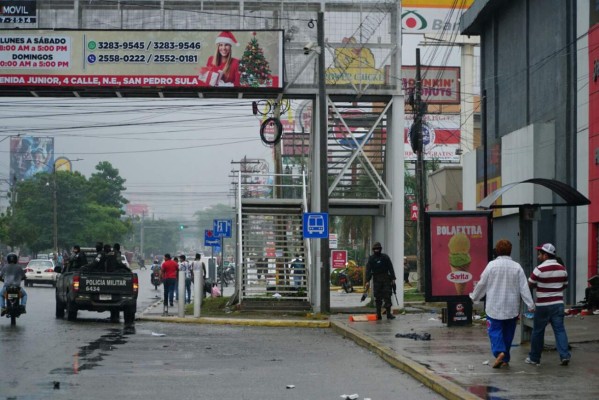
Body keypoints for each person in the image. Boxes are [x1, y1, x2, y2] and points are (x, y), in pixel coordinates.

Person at [469, 239, 535, 368]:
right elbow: (524, 288)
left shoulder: (491, 265)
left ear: (497, 251)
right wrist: (530, 305)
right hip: (512, 308)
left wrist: (474, 297)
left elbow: (482, 284)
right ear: (510, 251)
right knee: (508, 334)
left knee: (494, 332)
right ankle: (505, 359)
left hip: (494, 307)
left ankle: (499, 353)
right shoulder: (517, 267)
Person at [526, 243, 571, 366]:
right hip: (558, 304)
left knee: (538, 331)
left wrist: (540, 285)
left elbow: (529, 284)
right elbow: (565, 285)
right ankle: (564, 356)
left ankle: (534, 358)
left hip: (542, 305)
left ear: (546, 255)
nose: (538, 256)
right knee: (560, 330)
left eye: (540, 254)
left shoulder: (539, 269)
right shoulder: (562, 269)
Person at [365, 242, 396, 320]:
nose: (376, 250)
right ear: (373, 250)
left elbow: (390, 267)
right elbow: (368, 270)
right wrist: (367, 281)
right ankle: (378, 314)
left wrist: (393, 278)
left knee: (387, 296)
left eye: (378, 248)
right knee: (378, 297)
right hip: (376, 279)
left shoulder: (385, 257)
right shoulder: (371, 258)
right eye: (375, 249)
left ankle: (388, 314)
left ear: (380, 249)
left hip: (386, 279)